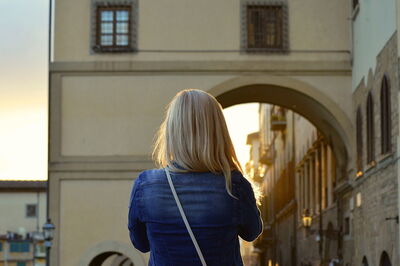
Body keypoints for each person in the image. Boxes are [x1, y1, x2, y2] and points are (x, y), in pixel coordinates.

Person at [128, 89, 263, 266]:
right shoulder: (234, 185)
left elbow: (141, 243)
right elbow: (252, 232)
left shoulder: (146, 186)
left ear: (172, 130)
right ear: (218, 131)